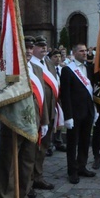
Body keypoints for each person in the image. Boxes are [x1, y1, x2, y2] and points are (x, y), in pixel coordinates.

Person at [0, 36, 46, 198]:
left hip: (33, 121)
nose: (30, 51)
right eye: (26, 47)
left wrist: (44, 121)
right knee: (9, 165)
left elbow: (42, 97)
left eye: (32, 48)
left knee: (27, 161)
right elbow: (0, 93)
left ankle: (22, 196)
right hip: (13, 121)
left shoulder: (37, 69)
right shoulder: (8, 68)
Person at [60, 44, 98, 184]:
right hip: (74, 114)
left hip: (87, 111)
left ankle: (82, 166)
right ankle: (72, 171)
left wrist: (94, 110)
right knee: (72, 143)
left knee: (85, 141)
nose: (84, 53)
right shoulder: (67, 70)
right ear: (74, 52)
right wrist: (68, 116)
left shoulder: (88, 69)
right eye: (81, 51)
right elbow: (65, 95)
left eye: (85, 51)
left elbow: (91, 92)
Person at [30, 36, 58, 185]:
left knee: (44, 146)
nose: (43, 48)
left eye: (45, 45)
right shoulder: (29, 65)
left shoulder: (48, 63)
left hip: (50, 110)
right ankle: (29, 179)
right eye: (39, 45)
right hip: (37, 111)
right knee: (33, 147)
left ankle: (38, 175)